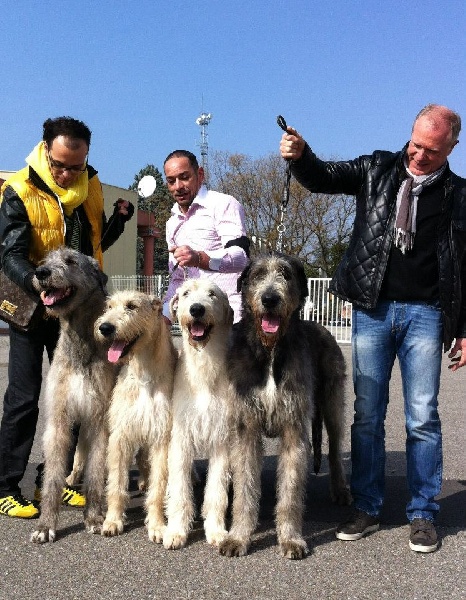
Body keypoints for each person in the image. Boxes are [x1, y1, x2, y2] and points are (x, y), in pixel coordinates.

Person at [280, 104, 465, 553]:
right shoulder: (376, 168)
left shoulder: (460, 195)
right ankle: (366, 505)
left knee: (422, 417)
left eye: (432, 150)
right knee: (367, 415)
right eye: (416, 144)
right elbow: (323, 177)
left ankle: (423, 513)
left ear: (452, 148)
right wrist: (301, 155)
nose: (419, 155)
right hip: (372, 309)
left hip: (426, 313)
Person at [0, 116, 134, 518]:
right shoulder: (18, 189)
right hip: (34, 304)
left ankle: (51, 482)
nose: (67, 174)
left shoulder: (90, 184)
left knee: (81, 396)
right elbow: (10, 255)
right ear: (46, 150)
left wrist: (119, 221)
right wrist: (42, 287)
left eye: (76, 166)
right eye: (60, 165)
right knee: (24, 398)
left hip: (80, 310)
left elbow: (92, 245)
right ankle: (5, 487)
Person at [162, 150, 250, 322]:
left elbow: (241, 257)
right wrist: (164, 317)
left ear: (200, 174)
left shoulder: (223, 204)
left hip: (229, 321)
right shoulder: (171, 223)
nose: (178, 186)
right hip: (193, 322)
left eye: (184, 177)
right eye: (171, 181)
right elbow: (177, 279)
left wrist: (200, 259)